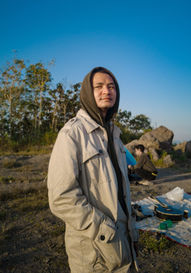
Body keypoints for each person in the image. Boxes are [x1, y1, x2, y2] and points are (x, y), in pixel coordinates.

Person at [47, 67, 139, 272]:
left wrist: (131, 230)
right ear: (88, 92)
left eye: (112, 86)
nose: (107, 91)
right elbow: (61, 198)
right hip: (94, 249)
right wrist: (103, 229)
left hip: (124, 241)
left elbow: (121, 191)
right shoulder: (72, 134)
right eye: (99, 86)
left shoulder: (115, 135)